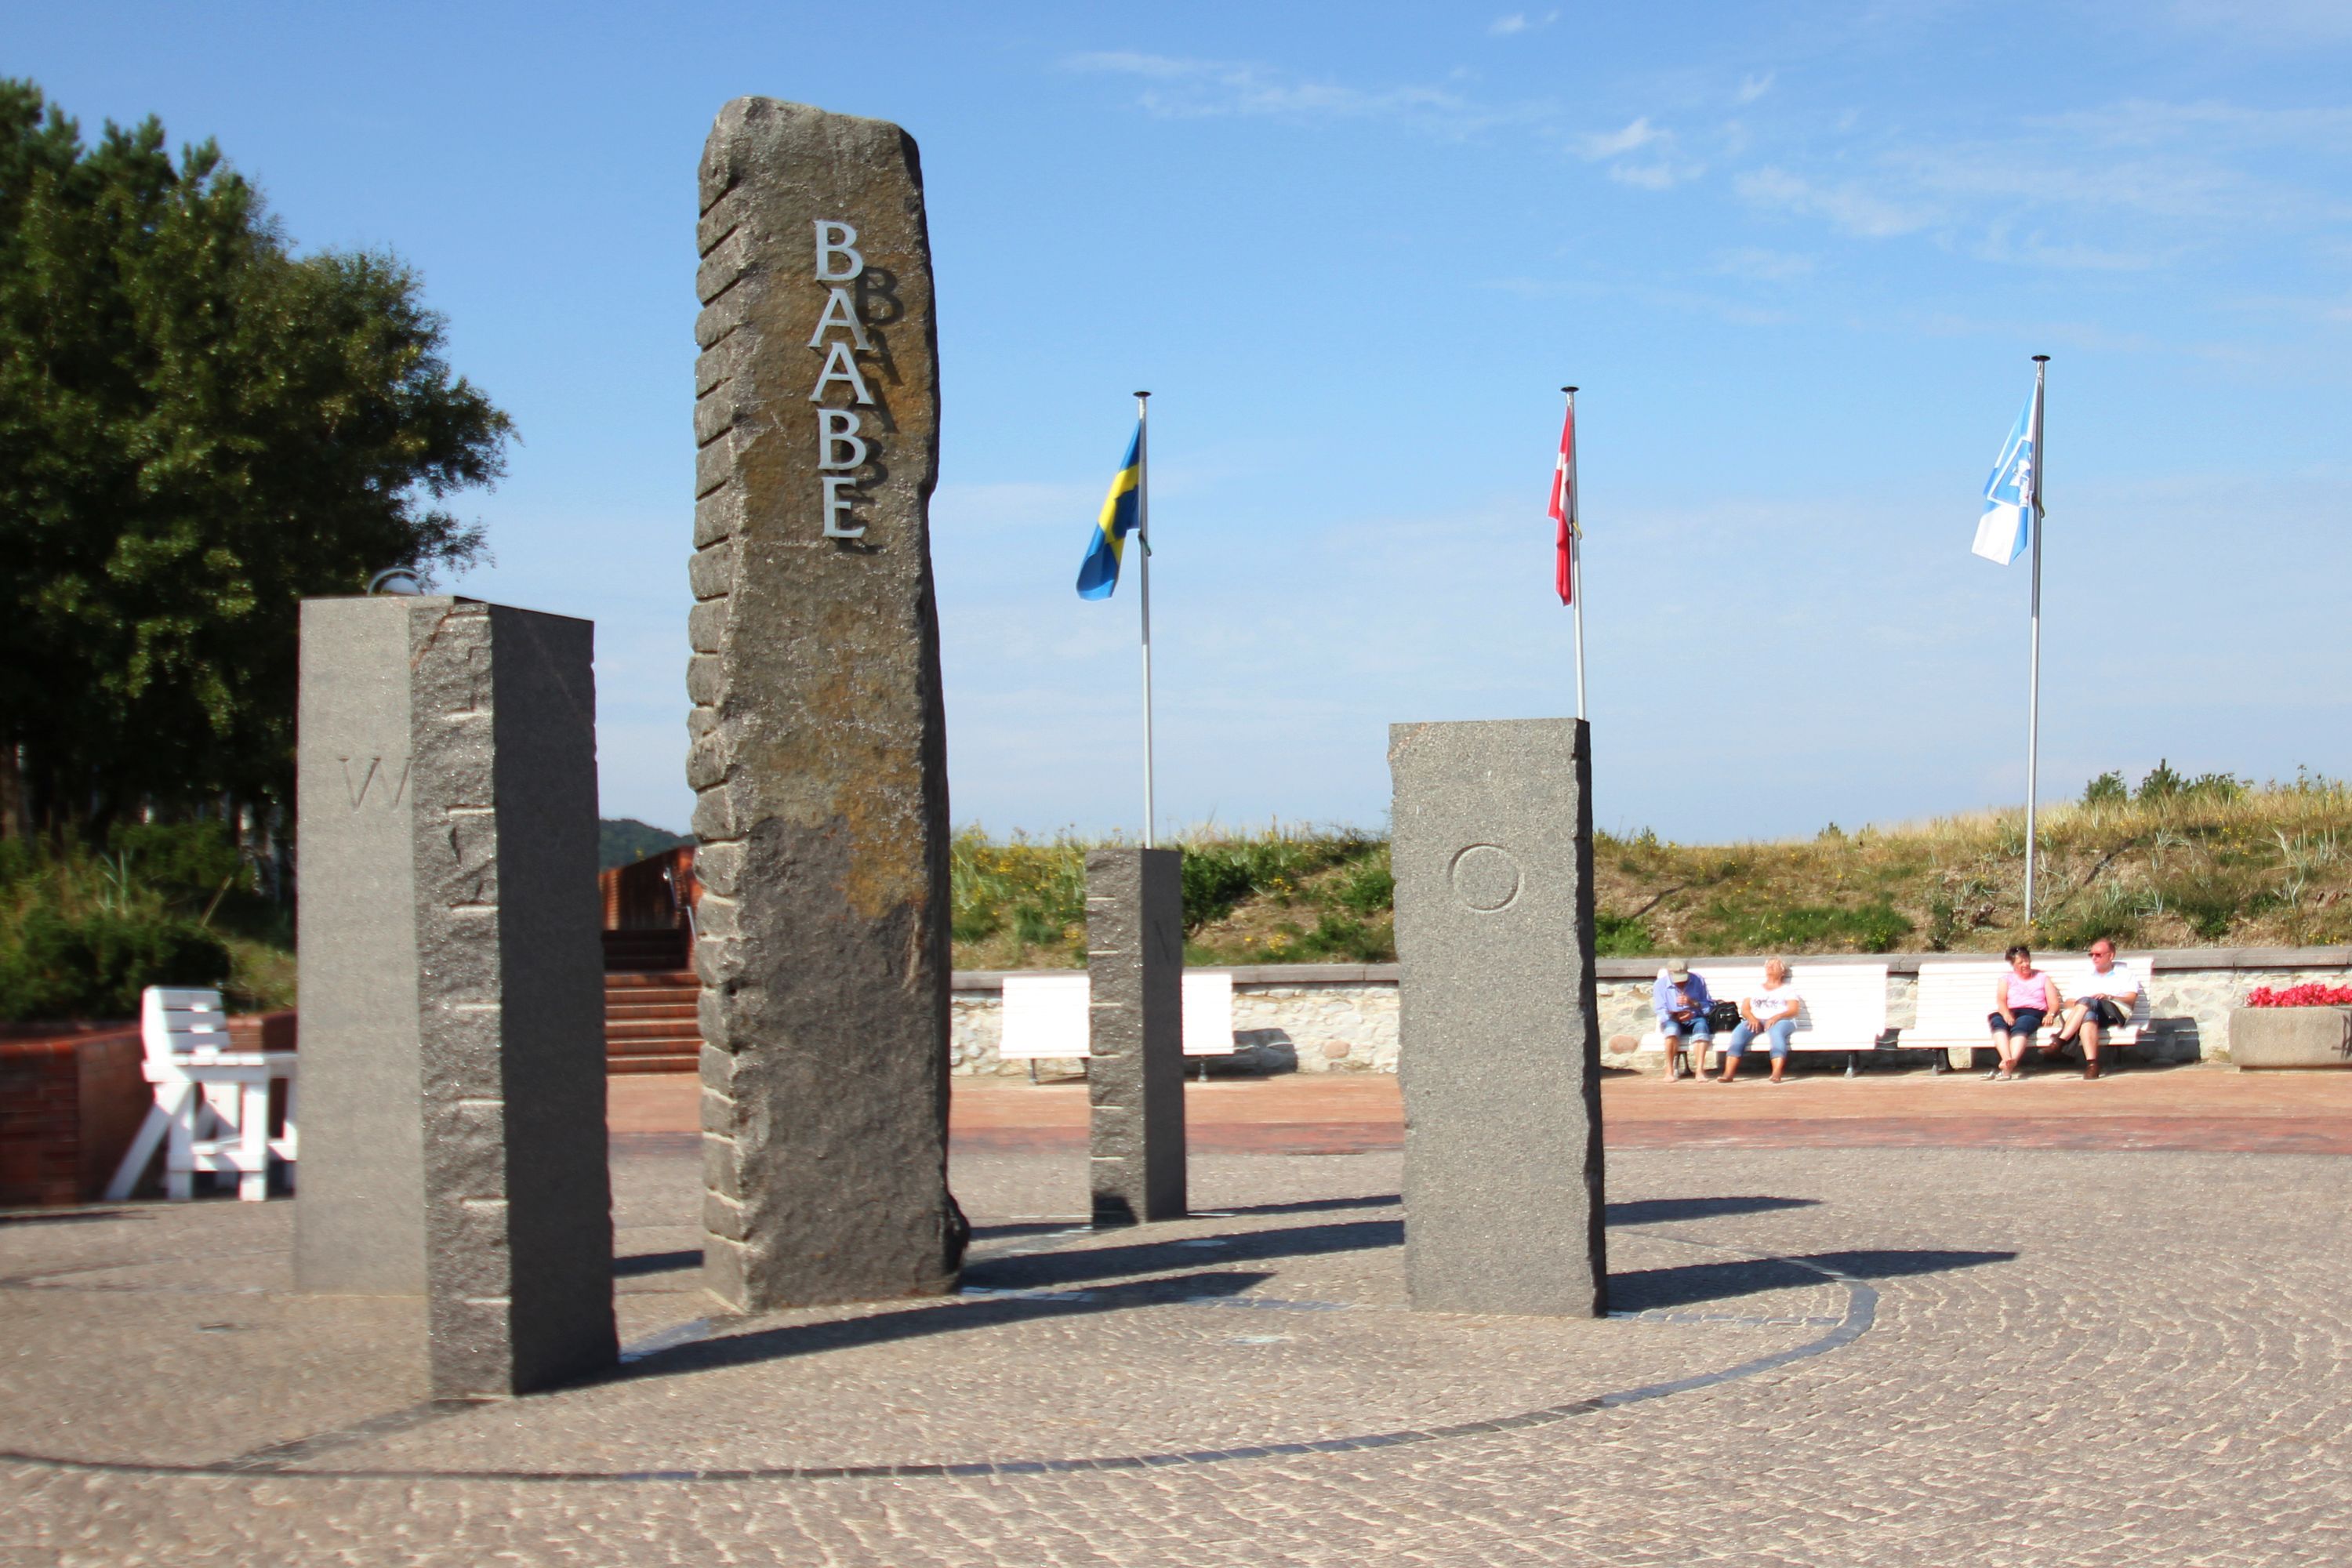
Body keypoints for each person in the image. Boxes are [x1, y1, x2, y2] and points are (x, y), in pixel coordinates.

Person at [2046, 939, 2138, 1080]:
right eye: (2091, 955)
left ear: (2111, 955)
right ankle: (2092, 1065)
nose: (2094, 958)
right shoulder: (2084, 975)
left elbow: (2131, 999)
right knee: (2088, 1012)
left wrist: (2109, 997)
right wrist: (2082, 1005)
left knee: (2088, 1002)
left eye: (2098, 955)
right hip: (2086, 1014)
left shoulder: (2124, 974)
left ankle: (2060, 1041)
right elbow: (2069, 1002)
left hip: (2112, 1012)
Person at [1987, 945, 2063, 1081]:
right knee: (1997, 1021)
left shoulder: (2042, 978)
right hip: (2011, 1010)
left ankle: (2009, 1067)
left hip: (2032, 1011)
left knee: (2021, 1025)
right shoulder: (2006, 979)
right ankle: (2007, 1059)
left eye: (2027, 960)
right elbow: (2001, 1001)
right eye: (2021, 962)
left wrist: (2050, 1014)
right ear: (2013, 965)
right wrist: (2006, 1014)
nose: (2025, 964)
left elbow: (2054, 1003)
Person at [1719, 958, 1802, 1084]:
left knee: (1776, 1033)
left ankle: (1776, 1072)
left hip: (1782, 1020)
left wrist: (1776, 1017)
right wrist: (1752, 1018)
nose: (1770, 967)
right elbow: (1745, 1009)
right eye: (1768, 965)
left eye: (1774, 965)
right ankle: (1728, 1073)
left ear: (1783, 972)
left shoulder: (1787, 990)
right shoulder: (1755, 988)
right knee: (1739, 1032)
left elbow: (1793, 1010)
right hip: (1757, 1019)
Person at [1653, 959, 1715, 1080]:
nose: (1681, 982)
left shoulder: (1697, 980)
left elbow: (1708, 1006)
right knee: (1671, 1031)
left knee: (1702, 1027)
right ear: (1669, 974)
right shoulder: (1660, 985)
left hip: (1694, 1016)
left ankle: (1700, 1071)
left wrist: (1692, 1004)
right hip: (1672, 1018)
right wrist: (1675, 1016)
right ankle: (1669, 1070)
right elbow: (1660, 1009)